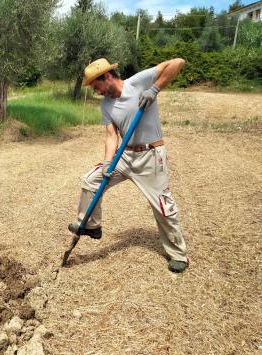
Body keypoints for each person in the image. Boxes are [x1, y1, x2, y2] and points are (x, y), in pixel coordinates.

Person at [68, 58, 189, 273]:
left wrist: (154, 89)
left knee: (162, 205)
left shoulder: (138, 82)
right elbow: (111, 135)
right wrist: (107, 162)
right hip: (125, 156)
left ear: (106, 76)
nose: (97, 92)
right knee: (90, 181)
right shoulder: (105, 105)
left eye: (97, 86)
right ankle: (92, 226)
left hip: (151, 155)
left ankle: (178, 255)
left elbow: (178, 62)